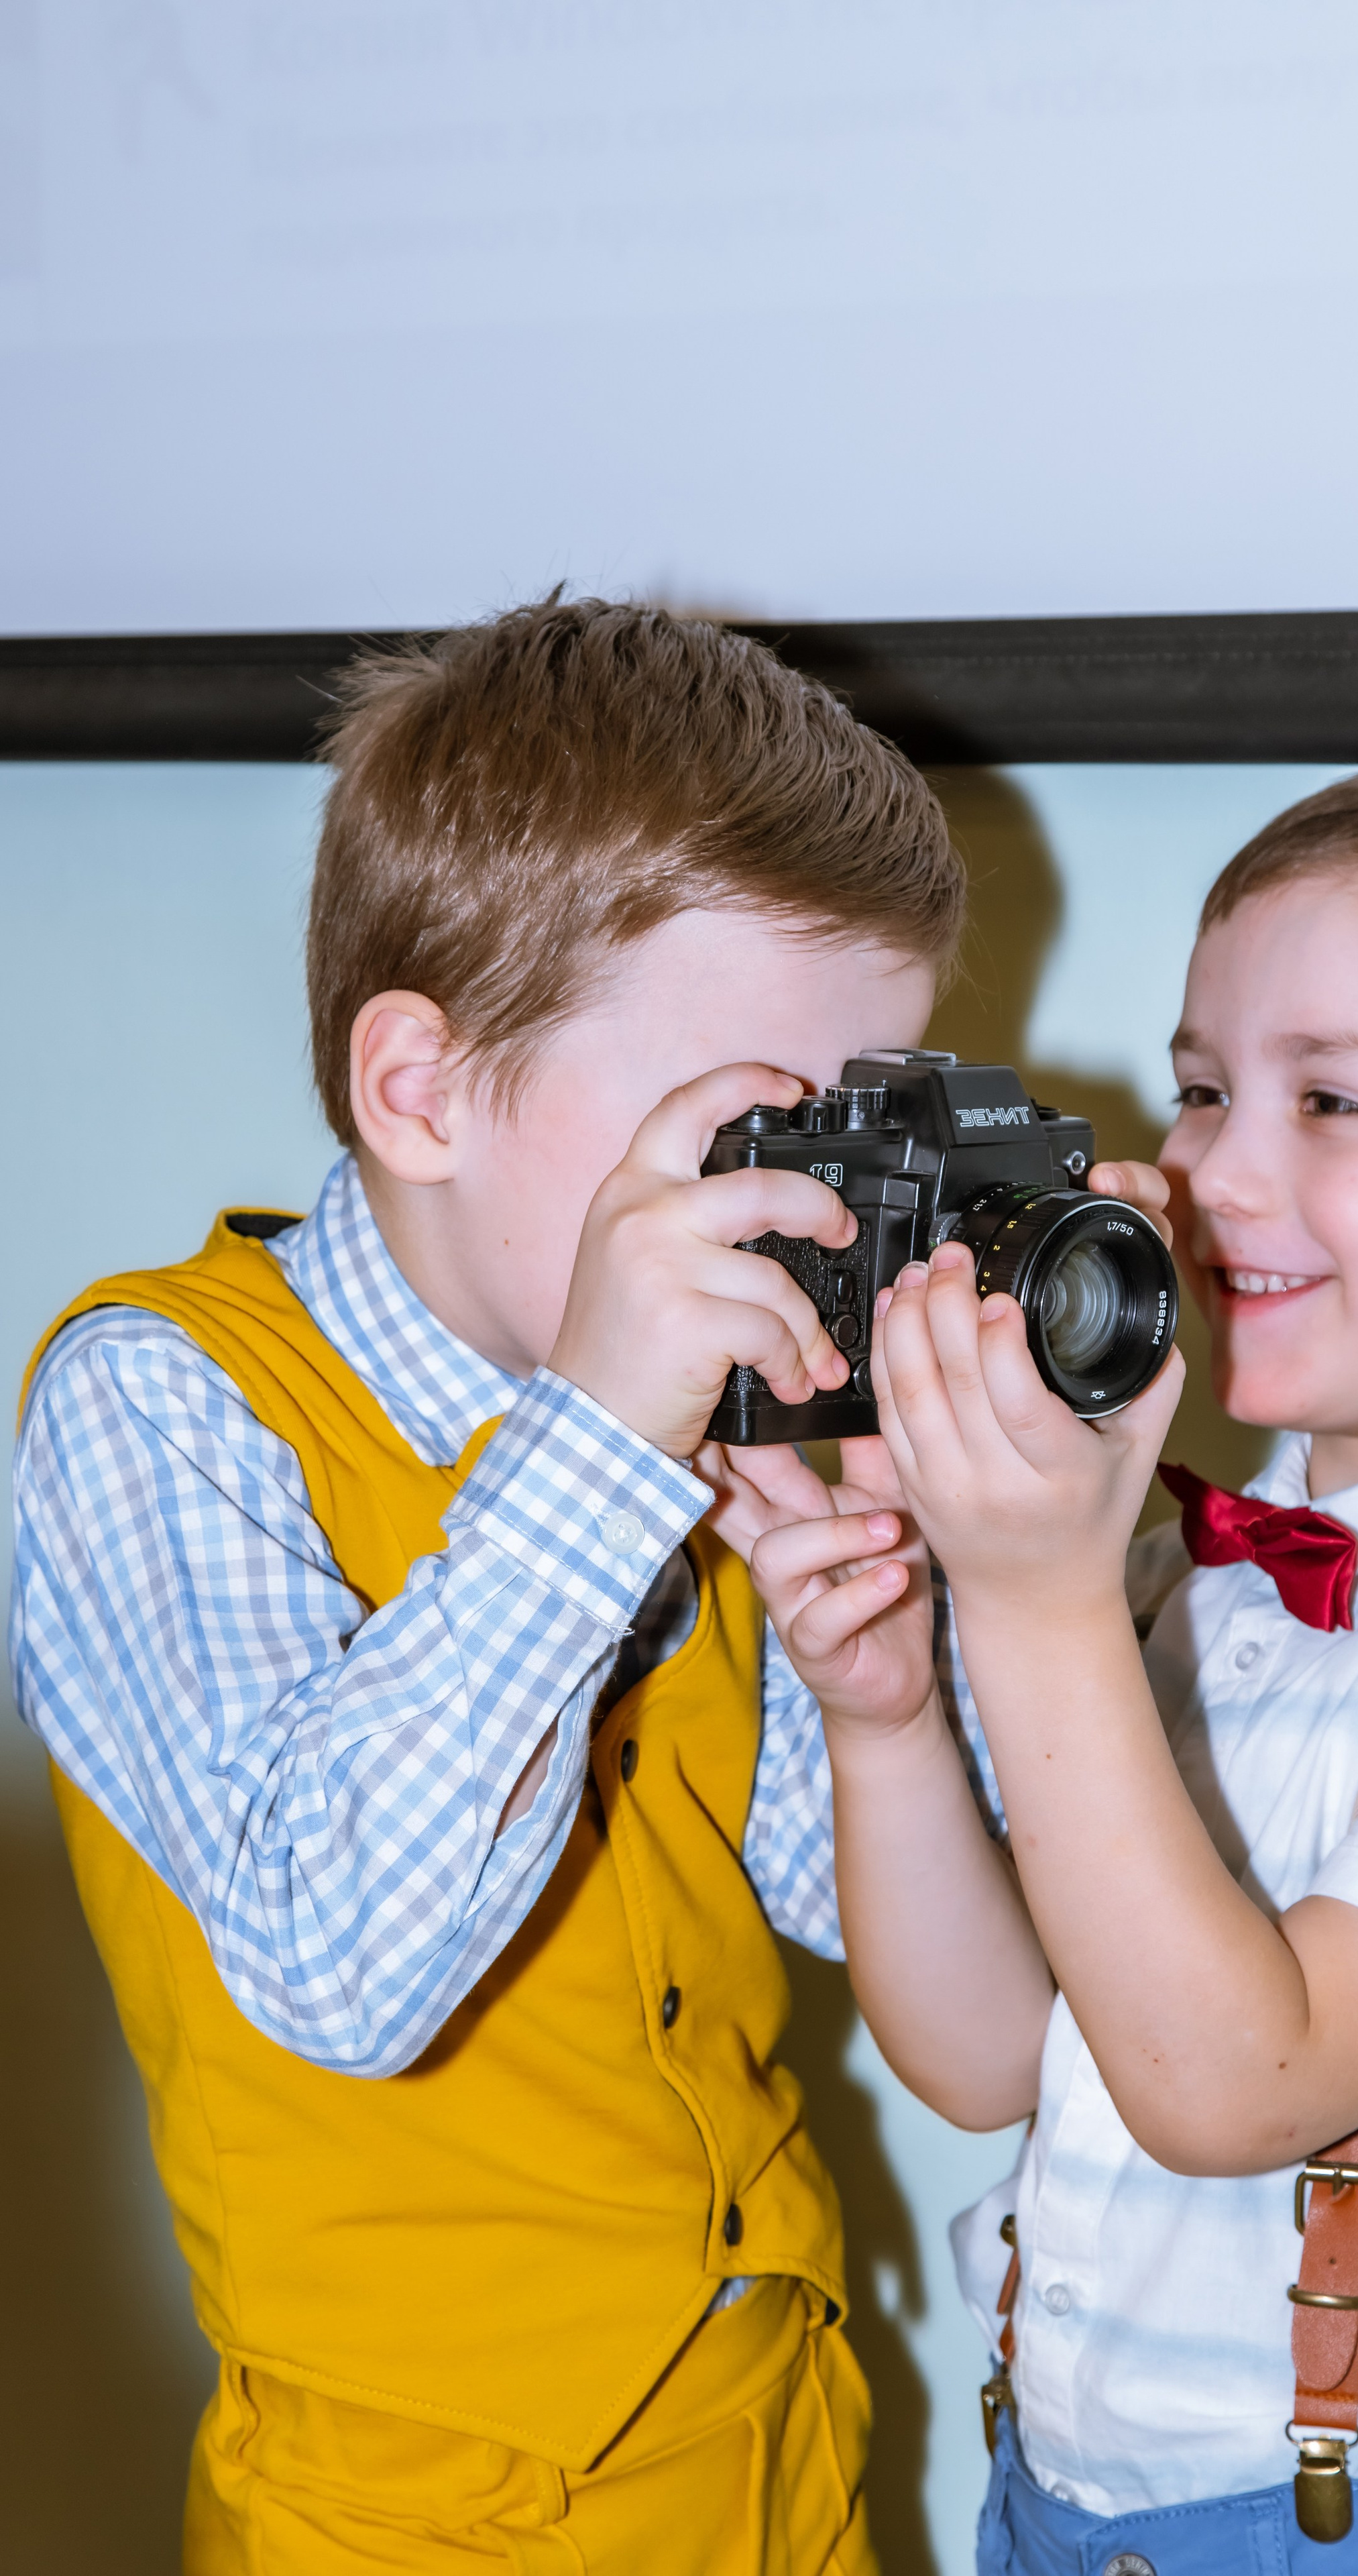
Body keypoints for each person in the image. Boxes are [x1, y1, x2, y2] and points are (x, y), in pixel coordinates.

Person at [9, 596, 972, 2575]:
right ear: (421, 1093)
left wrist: (915, 1613)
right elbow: (337, 1972)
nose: (808, 1210)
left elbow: (832, 1903)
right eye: (748, 1129)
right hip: (421, 2517)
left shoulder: (699, 1406)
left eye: (852, 1129)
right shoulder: (158, 1404)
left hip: (775, 2442)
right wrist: (605, 1451)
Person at [718, 763, 1358, 2573]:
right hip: (1055, 2514)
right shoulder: (1203, 1587)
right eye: (1200, 1088)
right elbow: (998, 2057)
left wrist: (1036, 1605)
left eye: (1330, 1099)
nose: (1214, 1170)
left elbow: (1234, 2085)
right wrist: (886, 1722)